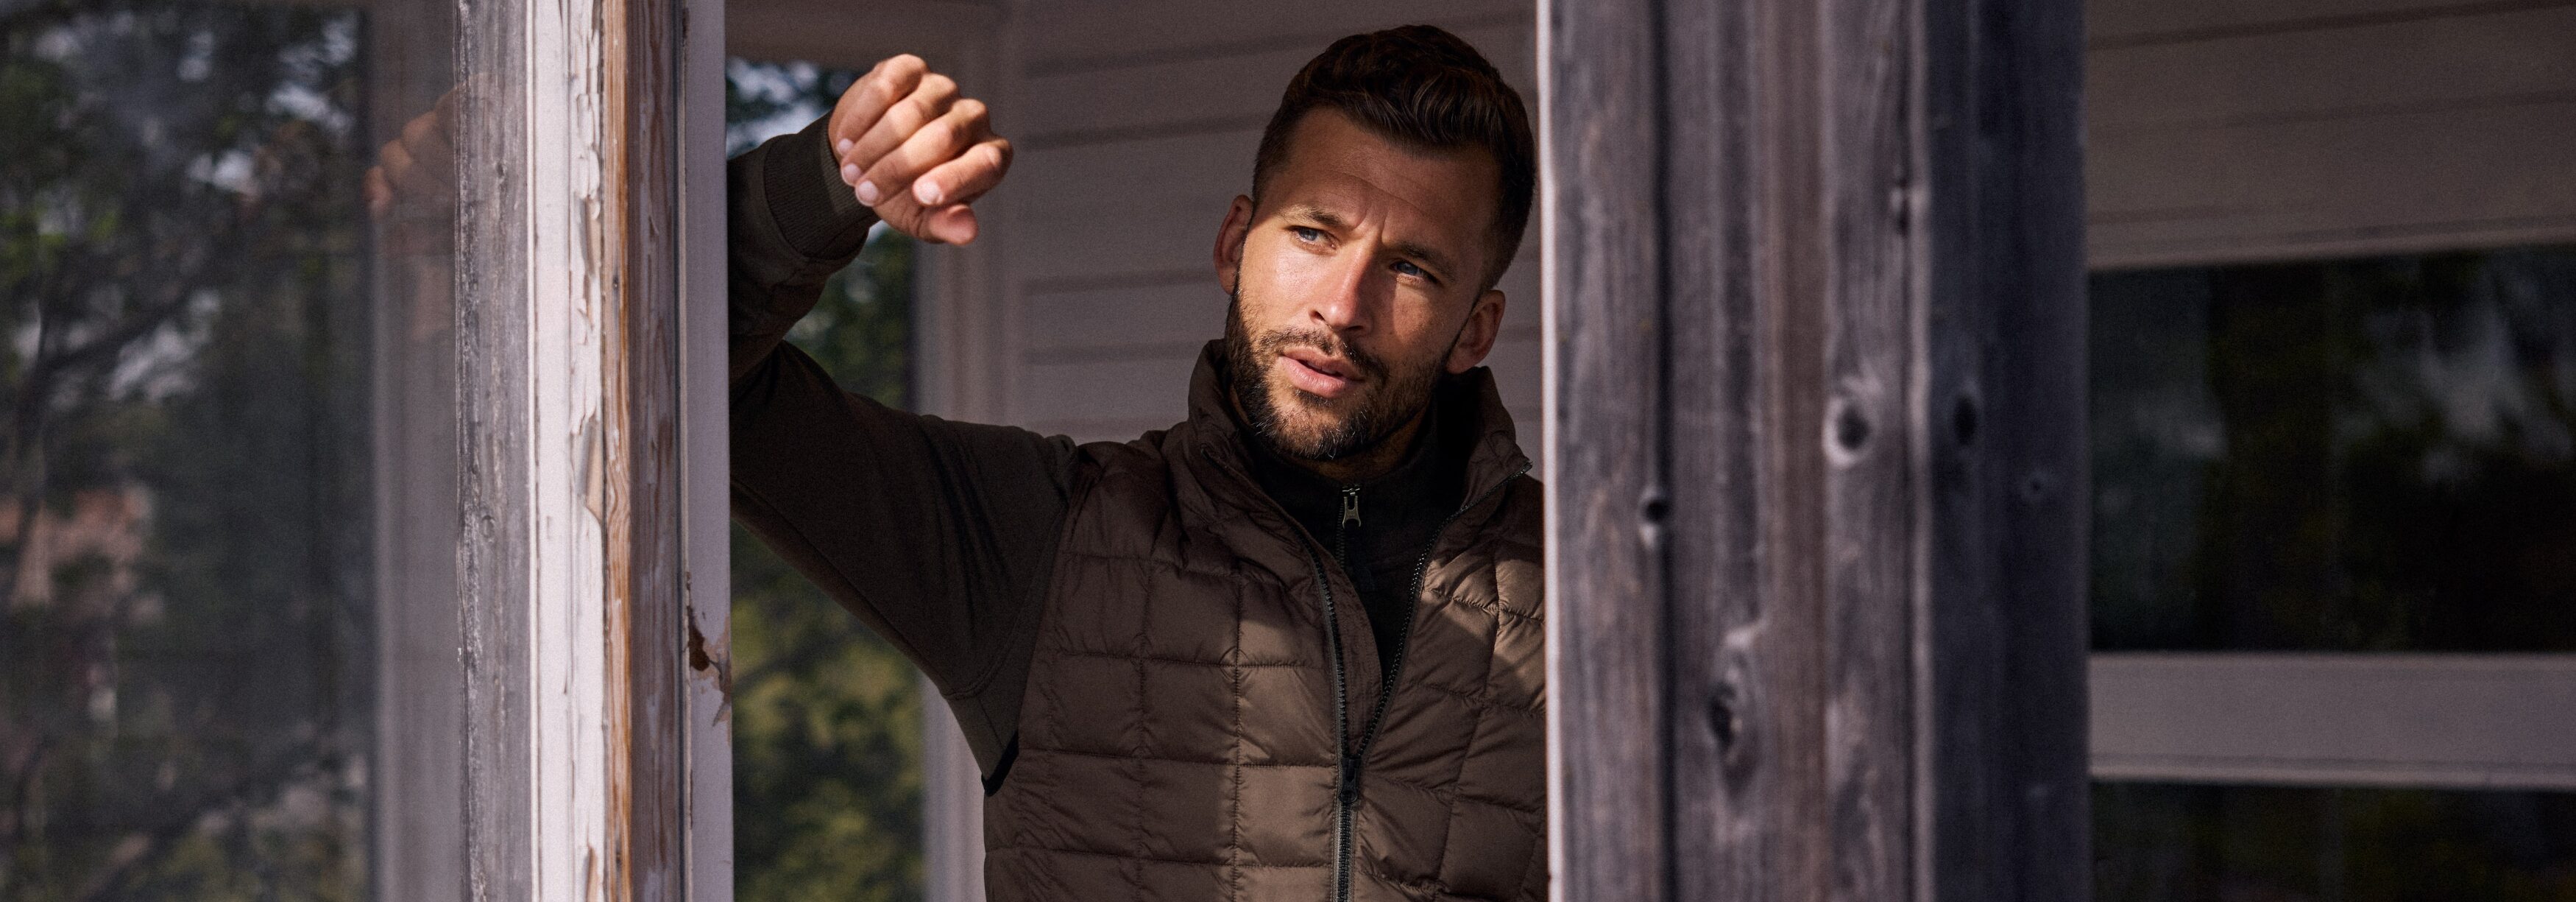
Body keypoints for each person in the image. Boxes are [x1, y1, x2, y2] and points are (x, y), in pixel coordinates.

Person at [729, 24, 1542, 902]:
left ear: (1476, 330)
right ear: (1234, 244)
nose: (1342, 306)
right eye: (1313, 233)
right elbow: (697, 381)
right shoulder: (1041, 541)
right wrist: (824, 185)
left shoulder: (1589, 597)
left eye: (1410, 268)